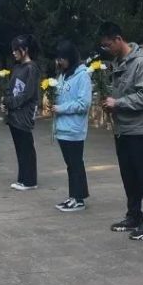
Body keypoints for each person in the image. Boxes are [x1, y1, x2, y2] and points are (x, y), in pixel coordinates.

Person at [98, 22, 143, 240]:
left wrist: (118, 103)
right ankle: (134, 215)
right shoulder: (117, 63)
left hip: (140, 131)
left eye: (108, 45)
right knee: (129, 177)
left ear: (118, 39)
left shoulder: (141, 63)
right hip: (122, 130)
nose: (106, 49)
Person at [51, 40, 92, 212]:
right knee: (71, 165)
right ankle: (73, 196)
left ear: (71, 57)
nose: (60, 62)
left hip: (74, 128)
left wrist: (61, 108)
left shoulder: (82, 76)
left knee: (75, 164)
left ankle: (78, 199)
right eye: (58, 58)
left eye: (63, 58)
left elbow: (84, 103)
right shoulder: (63, 75)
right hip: (62, 127)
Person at [2, 34, 42, 190]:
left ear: (24, 50)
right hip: (13, 112)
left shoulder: (32, 68)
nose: (13, 53)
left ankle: (30, 180)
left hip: (24, 113)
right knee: (19, 147)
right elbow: (10, 87)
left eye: (16, 50)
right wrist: (6, 100)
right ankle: (22, 178)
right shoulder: (17, 67)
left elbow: (28, 93)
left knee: (26, 147)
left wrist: (11, 102)